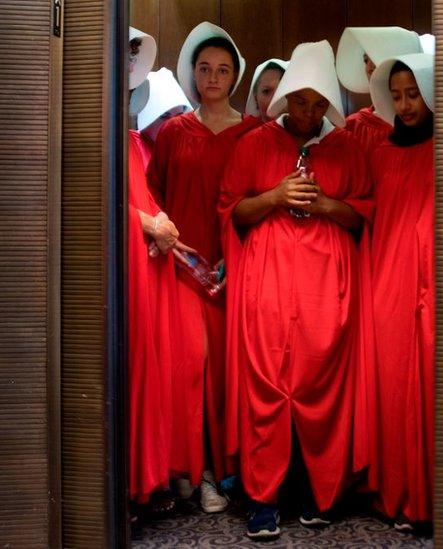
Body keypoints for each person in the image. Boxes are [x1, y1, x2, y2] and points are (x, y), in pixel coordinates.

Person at [219, 40, 373, 539]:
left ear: (328, 104)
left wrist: (326, 204)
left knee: (320, 386)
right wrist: (275, 195)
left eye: (317, 104)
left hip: (327, 289)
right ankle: (263, 499)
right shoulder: (254, 144)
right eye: (300, 101)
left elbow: (363, 215)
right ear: (285, 98)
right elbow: (233, 211)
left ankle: (318, 492)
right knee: (267, 385)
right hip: (268, 286)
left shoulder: (348, 149)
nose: (307, 112)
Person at [147, 21, 260, 514]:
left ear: (235, 77)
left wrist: (243, 258)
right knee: (188, 371)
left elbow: (260, 201)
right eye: (204, 69)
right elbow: (153, 198)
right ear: (193, 73)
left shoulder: (254, 133)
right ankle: (191, 471)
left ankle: (226, 471)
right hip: (182, 271)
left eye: (223, 69)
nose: (213, 77)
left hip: (239, 272)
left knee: (228, 377)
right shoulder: (173, 132)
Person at [367, 52, 435, 532]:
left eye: (413, 94)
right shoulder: (382, 153)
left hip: (433, 280)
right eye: (396, 96)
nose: (405, 105)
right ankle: (398, 496)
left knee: (432, 389)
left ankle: (433, 500)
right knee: (392, 391)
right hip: (389, 283)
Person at [127, 27, 190, 515]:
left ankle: (146, 483)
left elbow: (144, 200)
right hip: (120, 282)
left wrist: (159, 224)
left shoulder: (126, 139)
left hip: (146, 270)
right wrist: (145, 223)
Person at [336, 26, 422, 162]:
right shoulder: (354, 125)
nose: (369, 67)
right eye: (366, 60)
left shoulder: (426, 124)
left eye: (375, 57)